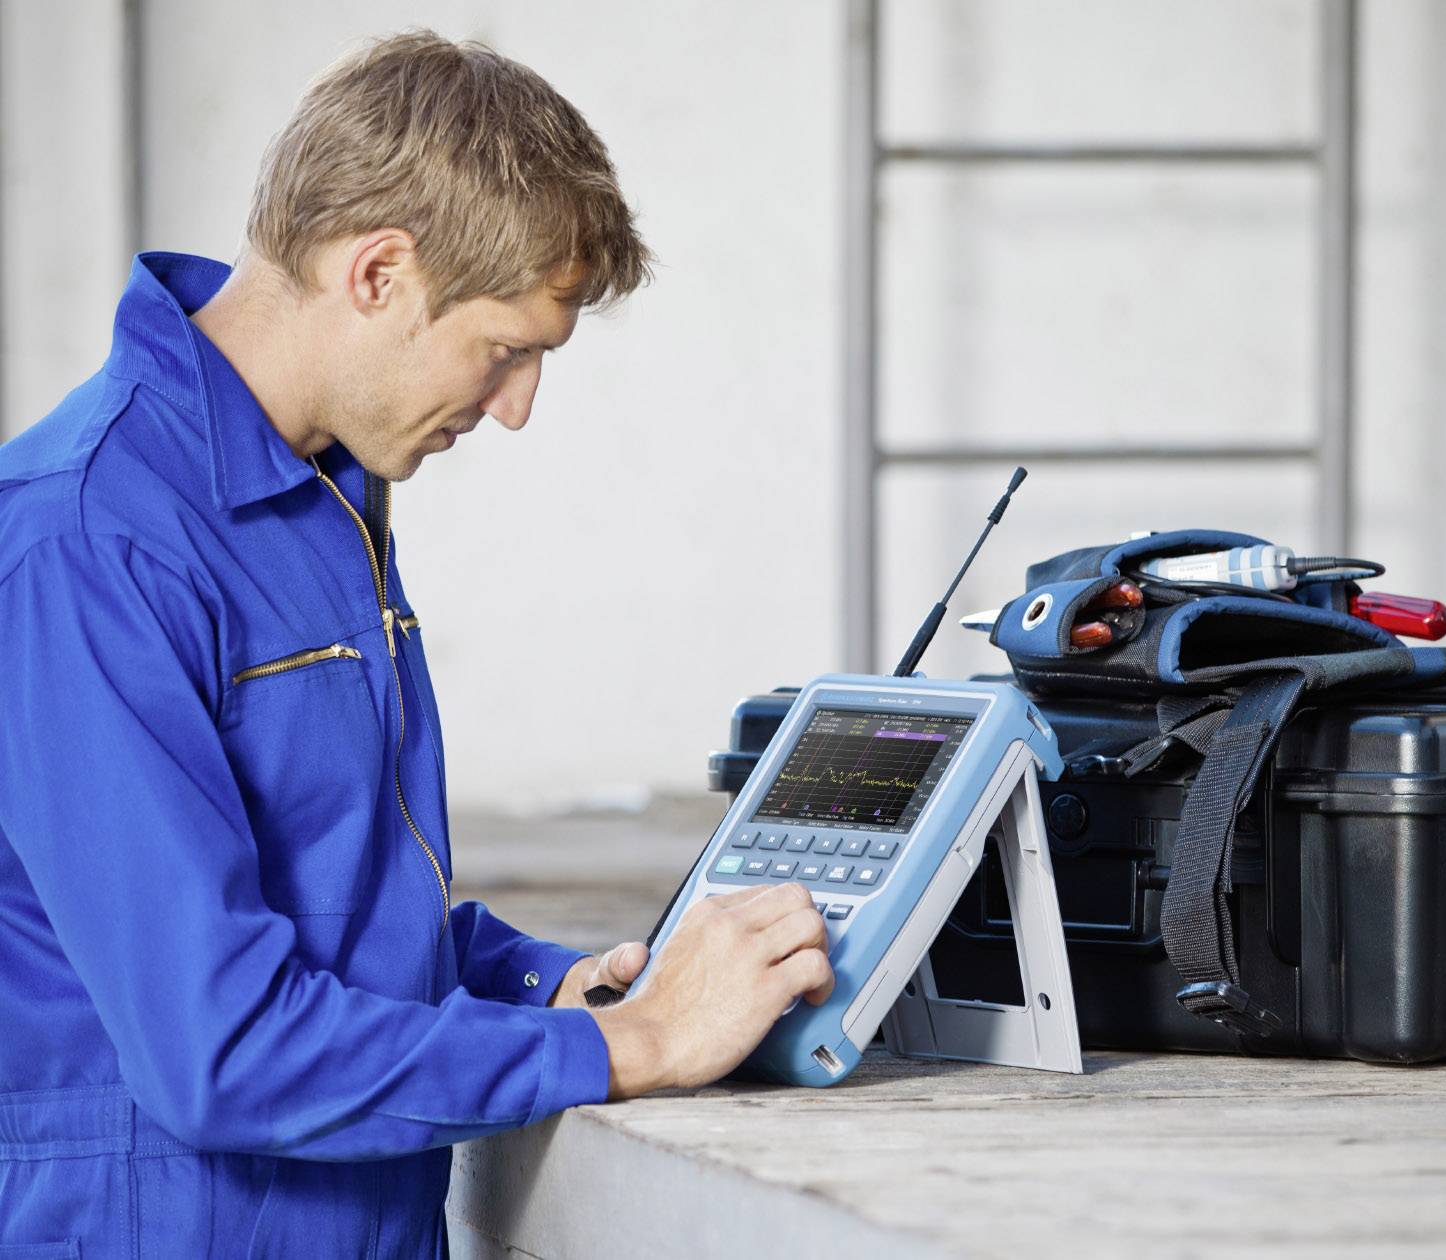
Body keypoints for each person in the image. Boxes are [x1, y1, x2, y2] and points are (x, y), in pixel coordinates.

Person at [0, 30, 832, 1258]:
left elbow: (320, 897)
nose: (517, 407)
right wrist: (636, 1044)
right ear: (379, 273)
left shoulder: (323, 499)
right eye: (505, 350)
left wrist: (539, 980)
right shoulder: (83, 543)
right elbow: (216, 1048)